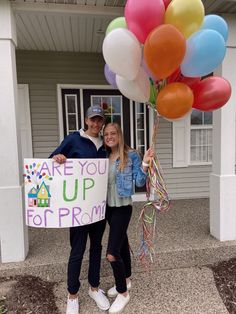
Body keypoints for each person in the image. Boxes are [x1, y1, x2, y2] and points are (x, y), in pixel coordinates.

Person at [49, 105, 110, 314]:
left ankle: (94, 288)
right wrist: (58, 159)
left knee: (96, 248)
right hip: (77, 209)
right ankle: (72, 295)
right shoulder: (73, 139)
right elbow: (51, 162)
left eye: (99, 120)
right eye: (92, 120)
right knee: (77, 250)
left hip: (97, 209)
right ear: (86, 120)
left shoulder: (104, 144)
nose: (96, 124)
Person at [103, 123, 154, 314]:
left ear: (119, 135)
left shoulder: (130, 154)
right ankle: (126, 280)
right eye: (106, 134)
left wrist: (146, 162)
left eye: (113, 133)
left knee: (112, 253)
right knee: (122, 243)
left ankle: (123, 293)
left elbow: (140, 181)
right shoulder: (103, 156)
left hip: (123, 208)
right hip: (107, 208)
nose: (109, 136)